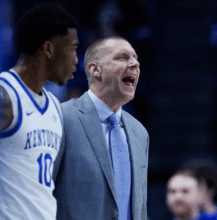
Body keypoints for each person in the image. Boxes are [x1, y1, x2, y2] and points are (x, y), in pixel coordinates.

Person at [0, 3, 79, 220]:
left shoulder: (54, 107)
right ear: (49, 49)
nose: (77, 60)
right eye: (73, 48)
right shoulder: (1, 96)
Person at [53, 36, 148, 220]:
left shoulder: (140, 132)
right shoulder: (61, 118)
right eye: (122, 57)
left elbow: (139, 209)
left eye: (135, 58)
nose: (135, 64)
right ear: (95, 69)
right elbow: (38, 193)